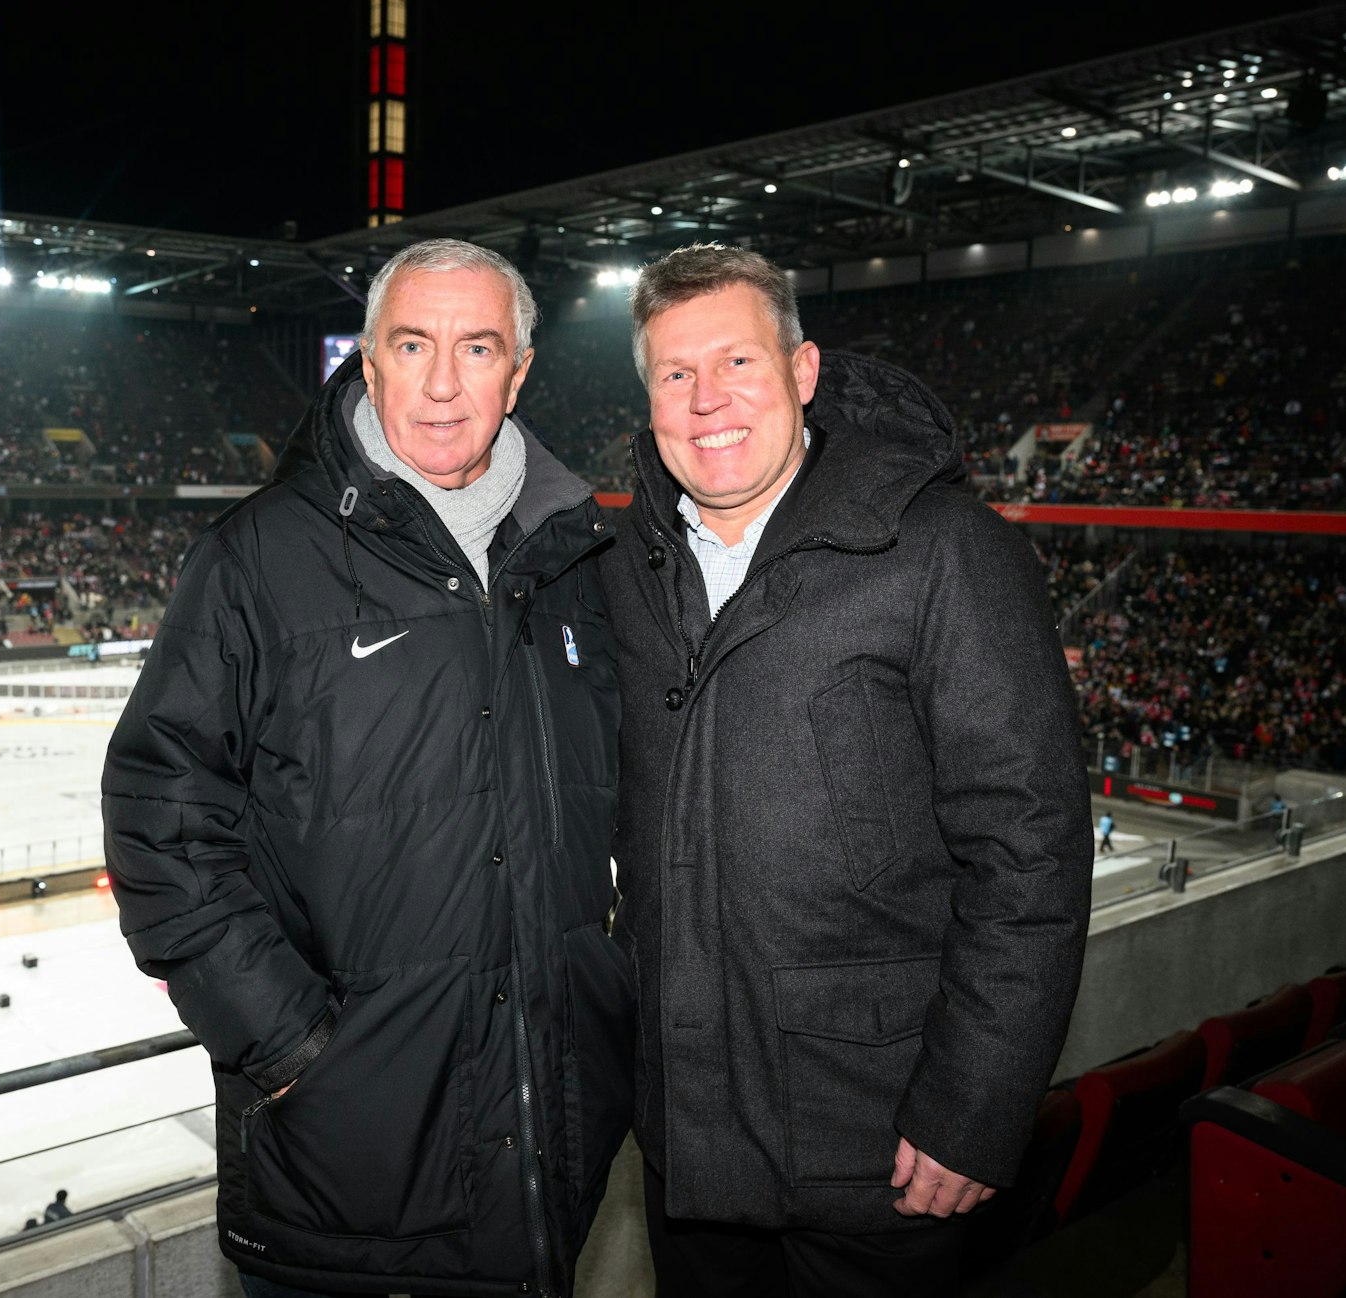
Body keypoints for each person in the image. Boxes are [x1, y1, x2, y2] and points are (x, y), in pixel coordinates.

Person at [103, 238, 632, 1298]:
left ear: (517, 372)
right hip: (344, 1186)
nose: (442, 382)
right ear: (370, 363)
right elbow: (158, 813)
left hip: (546, 1174)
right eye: (412, 344)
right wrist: (294, 1048)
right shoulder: (257, 558)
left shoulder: (578, 562)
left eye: (476, 347)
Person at [600, 243, 1093, 1298]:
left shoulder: (941, 548)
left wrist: (973, 1107)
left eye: (734, 361)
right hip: (685, 1136)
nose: (706, 401)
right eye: (673, 375)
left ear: (804, 370)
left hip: (875, 1145)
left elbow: (1028, 849)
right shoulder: (618, 568)